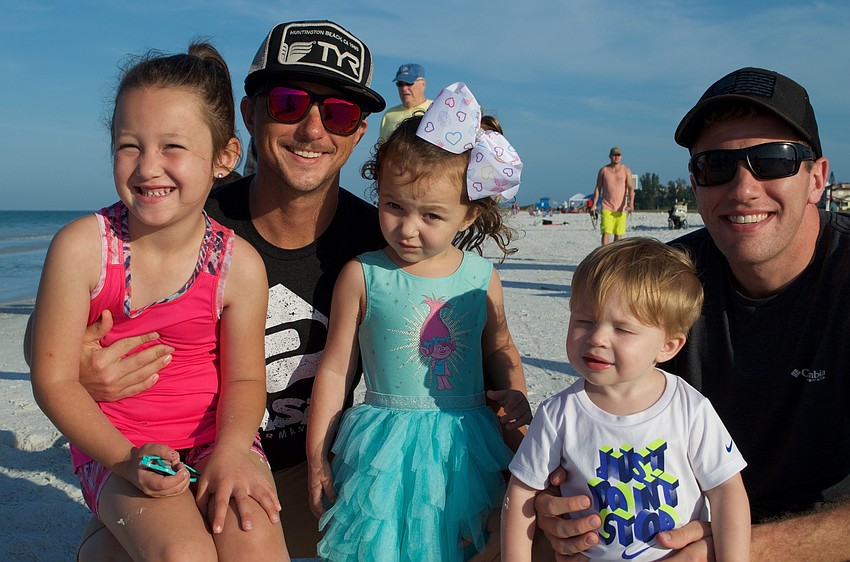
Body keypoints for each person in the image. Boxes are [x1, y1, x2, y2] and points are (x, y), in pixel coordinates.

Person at [60, 20, 388, 560]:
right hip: (176, 459)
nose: (312, 129)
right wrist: (75, 364)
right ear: (250, 112)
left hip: (313, 481)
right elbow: (65, 309)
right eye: (288, 101)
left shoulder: (381, 243)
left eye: (340, 112)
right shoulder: (186, 219)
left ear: (357, 133)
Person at [535, 67, 850, 562]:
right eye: (716, 166)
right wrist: (558, 505)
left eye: (772, 161)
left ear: (817, 179)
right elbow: (596, 420)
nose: (743, 188)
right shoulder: (667, 284)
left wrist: (743, 548)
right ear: (696, 184)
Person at [28, 42, 289, 560]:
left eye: (173, 147)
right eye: (130, 145)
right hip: (118, 447)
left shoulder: (240, 266)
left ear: (224, 157)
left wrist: (236, 449)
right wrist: (126, 460)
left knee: (254, 541)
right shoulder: (81, 248)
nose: (149, 167)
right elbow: (53, 378)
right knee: (184, 552)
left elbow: (243, 379)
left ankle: (102, 548)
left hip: (221, 439)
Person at [305, 82, 531, 561]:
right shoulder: (363, 273)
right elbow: (336, 368)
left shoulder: (480, 276)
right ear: (379, 192)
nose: (408, 228)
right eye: (394, 206)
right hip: (380, 448)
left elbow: (500, 348)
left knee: (466, 545)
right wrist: (316, 455)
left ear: (468, 215)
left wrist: (518, 400)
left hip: (465, 444)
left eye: (432, 215)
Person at [502, 238, 750, 561]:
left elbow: (727, 492)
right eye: (584, 321)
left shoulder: (690, 409)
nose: (597, 338)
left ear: (669, 346)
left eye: (622, 329)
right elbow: (520, 495)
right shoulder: (558, 414)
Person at [378, 63, 432, 143]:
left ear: (423, 84)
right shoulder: (389, 115)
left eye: (409, 83)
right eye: (400, 84)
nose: (404, 88)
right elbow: (382, 148)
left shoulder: (435, 109)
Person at [592, 147, 635, 245]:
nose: (616, 157)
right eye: (614, 155)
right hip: (607, 206)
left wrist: (631, 203)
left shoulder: (626, 170)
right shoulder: (604, 170)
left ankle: (615, 257)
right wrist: (594, 204)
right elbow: (598, 188)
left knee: (618, 235)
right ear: (610, 156)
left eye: (618, 155)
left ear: (621, 157)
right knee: (606, 232)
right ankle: (604, 254)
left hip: (621, 208)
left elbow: (630, 188)